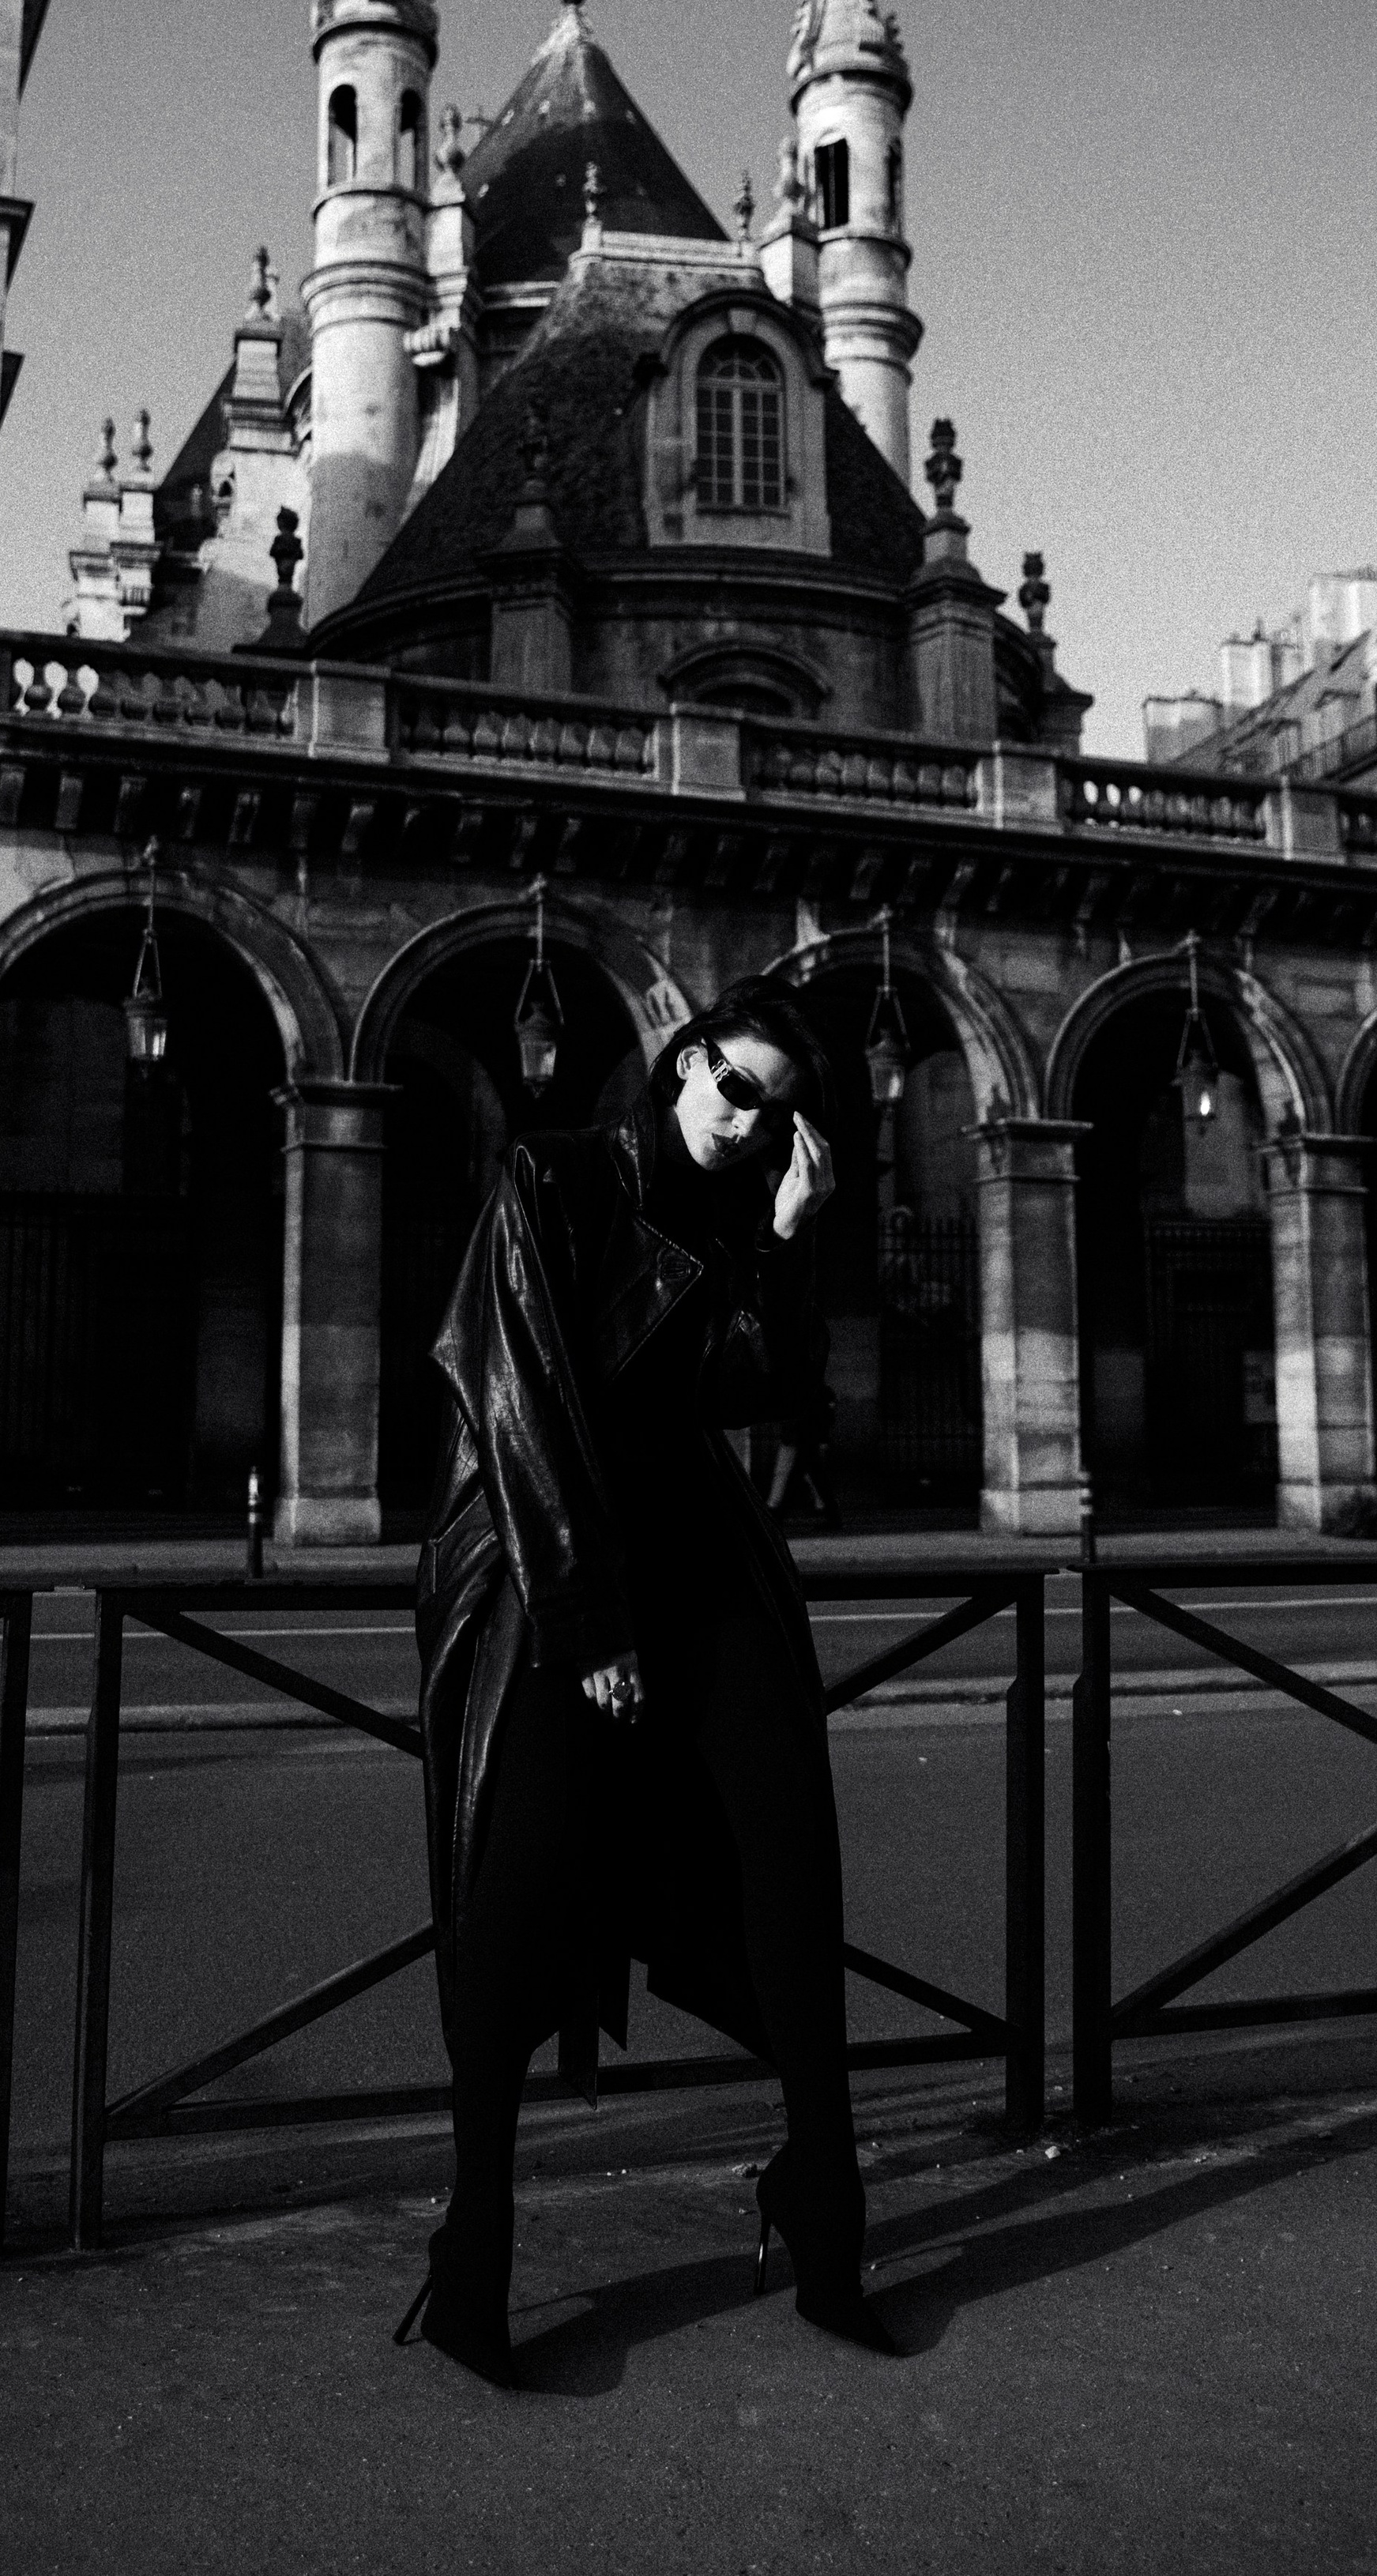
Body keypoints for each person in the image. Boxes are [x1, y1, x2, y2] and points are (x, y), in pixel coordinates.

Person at [395, 974, 894, 2384]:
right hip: (549, 1561)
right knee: (521, 1880)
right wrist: (591, 1618)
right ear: (681, 1065)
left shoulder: (749, 1219)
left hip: (699, 1559)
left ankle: (826, 2200)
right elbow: (515, 1395)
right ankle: (473, 2246)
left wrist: (792, 1245)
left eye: (776, 1111)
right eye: (734, 1088)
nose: (748, 1124)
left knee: (793, 1853)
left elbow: (773, 1406)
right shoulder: (549, 1175)